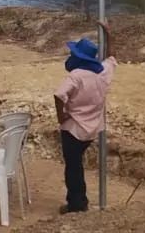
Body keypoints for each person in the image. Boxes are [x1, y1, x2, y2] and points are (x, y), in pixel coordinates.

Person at [54, 30, 116, 215]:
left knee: (73, 168)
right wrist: (109, 34)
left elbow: (59, 95)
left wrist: (61, 116)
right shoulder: (102, 73)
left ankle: (76, 204)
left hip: (74, 128)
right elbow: (112, 57)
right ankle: (79, 200)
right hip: (92, 128)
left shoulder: (77, 75)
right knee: (77, 164)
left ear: (78, 57)